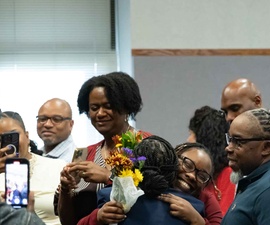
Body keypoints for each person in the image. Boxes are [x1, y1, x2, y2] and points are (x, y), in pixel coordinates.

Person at [56, 71, 151, 225]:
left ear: (126, 108)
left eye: (108, 106)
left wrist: (109, 176)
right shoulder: (84, 154)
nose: (100, 113)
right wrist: (65, 191)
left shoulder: (148, 146)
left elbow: (158, 200)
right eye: (94, 108)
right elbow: (68, 222)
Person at [78, 135, 206, 225]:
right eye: (188, 165)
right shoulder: (195, 208)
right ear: (173, 171)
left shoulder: (111, 198)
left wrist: (98, 217)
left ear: (133, 166)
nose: (191, 175)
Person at [0, 111, 66, 225]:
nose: (8, 145)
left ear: (27, 136)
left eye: (12, 136)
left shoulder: (58, 167)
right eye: (1, 139)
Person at [187, 105, 234, 215]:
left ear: (205, 139)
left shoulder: (229, 174)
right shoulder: (197, 176)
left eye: (192, 134)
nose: (188, 140)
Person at [162, 142, 223, 225]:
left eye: (202, 176)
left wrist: (196, 219)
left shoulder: (206, 199)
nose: (192, 176)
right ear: (174, 157)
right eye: (187, 165)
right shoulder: (150, 181)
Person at [37, 98, 76, 163]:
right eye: (42, 119)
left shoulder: (74, 161)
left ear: (70, 125)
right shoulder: (35, 155)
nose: (47, 124)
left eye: (56, 119)